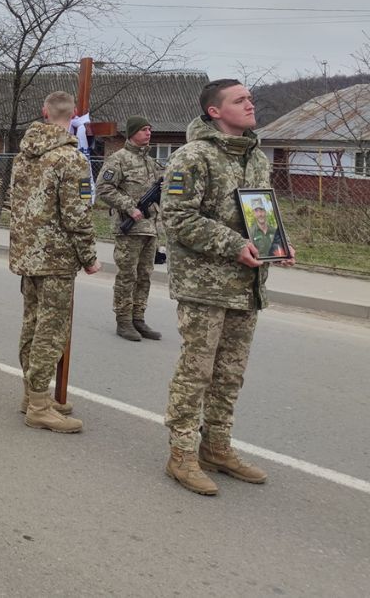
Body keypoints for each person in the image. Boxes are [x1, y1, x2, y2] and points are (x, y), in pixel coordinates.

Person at [161, 79, 295, 496]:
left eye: (250, 98)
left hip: (246, 284)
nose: (250, 104)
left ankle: (216, 447)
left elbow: (259, 208)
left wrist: (276, 243)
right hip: (205, 284)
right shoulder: (192, 156)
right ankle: (181, 454)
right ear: (215, 112)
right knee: (196, 373)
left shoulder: (255, 156)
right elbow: (178, 218)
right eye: (240, 100)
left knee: (229, 375)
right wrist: (235, 245)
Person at [8, 91, 100, 434]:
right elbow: (77, 214)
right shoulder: (70, 159)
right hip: (57, 257)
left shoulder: (24, 155)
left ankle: (32, 393)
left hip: (28, 254)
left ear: (43, 112)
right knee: (51, 329)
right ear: (73, 114)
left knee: (32, 323)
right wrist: (89, 257)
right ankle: (38, 405)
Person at [96, 115, 164, 341]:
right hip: (129, 228)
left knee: (145, 275)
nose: (148, 133)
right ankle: (123, 320)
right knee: (128, 275)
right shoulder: (118, 159)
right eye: (144, 129)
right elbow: (104, 188)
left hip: (150, 228)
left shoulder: (152, 162)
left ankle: (138, 318)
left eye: (150, 129)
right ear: (132, 132)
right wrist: (129, 207)